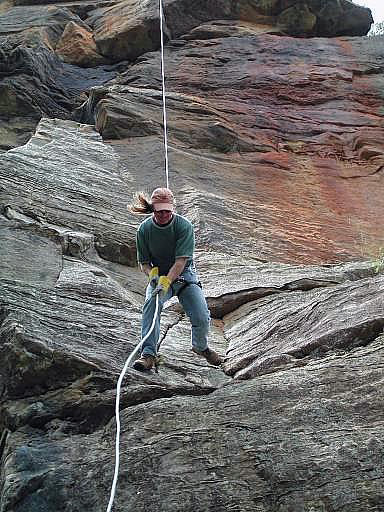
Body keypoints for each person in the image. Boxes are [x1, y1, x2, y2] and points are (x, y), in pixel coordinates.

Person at [129, 187, 222, 371]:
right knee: (151, 306)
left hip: (184, 276)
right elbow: (144, 263)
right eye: (159, 210)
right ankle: (148, 354)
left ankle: (201, 347)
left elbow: (180, 262)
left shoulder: (184, 226)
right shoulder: (144, 229)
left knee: (201, 315)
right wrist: (154, 277)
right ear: (152, 209)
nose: (163, 214)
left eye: (167, 210)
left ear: (173, 208)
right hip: (159, 277)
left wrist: (167, 282)